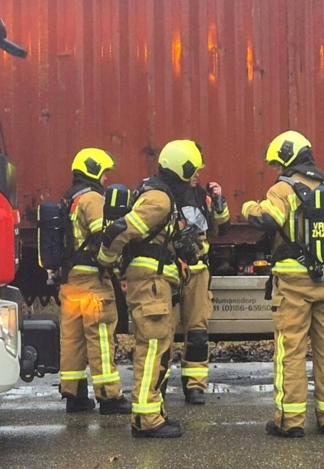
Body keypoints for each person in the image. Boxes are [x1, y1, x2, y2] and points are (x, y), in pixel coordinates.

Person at [241, 130, 324, 438]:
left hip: (294, 282)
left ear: (285, 159)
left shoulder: (283, 190)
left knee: (291, 350)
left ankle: (290, 422)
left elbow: (266, 220)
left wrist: (248, 208)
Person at [97, 139, 204, 439]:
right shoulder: (160, 200)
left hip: (156, 282)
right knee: (152, 349)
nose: (195, 177)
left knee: (158, 349)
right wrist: (105, 260)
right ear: (181, 169)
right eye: (193, 170)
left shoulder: (160, 194)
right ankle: (146, 420)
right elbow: (121, 230)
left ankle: (152, 412)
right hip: (151, 284)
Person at [58, 148, 132, 415]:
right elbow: (106, 237)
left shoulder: (69, 200)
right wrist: (115, 267)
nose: (105, 180)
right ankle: (109, 397)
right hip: (92, 280)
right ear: (94, 171)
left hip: (70, 280)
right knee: (100, 335)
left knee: (72, 338)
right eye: (103, 174)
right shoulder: (92, 199)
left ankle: (74, 395)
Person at [172, 168, 230, 404]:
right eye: (193, 171)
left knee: (197, 333)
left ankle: (195, 386)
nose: (197, 175)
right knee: (162, 334)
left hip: (198, 272)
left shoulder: (202, 197)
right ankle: (158, 383)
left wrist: (218, 201)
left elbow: (221, 228)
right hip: (172, 271)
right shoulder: (165, 195)